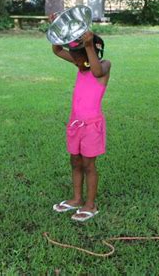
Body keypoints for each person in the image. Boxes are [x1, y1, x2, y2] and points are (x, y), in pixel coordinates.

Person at [51, 30, 112, 222]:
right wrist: (57, 27)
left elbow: (97, 71)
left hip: (92, 127)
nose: (75, 62)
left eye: (78, 58)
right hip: (75, 124)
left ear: (89, 53)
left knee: (88, 165)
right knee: (75, 162)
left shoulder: (104, 66)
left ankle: (90, 204)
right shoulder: (81, 65)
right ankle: (77, 199)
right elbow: (57, 50)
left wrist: (87, 45)